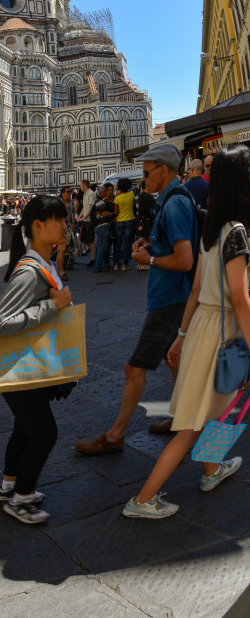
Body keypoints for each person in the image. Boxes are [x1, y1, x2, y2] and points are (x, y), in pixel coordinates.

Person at [123, 145, 250, 518]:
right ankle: (143, 500)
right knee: (195, 423)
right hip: (224, 332)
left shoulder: (212, 230)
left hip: (201, 328)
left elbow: (196, 289)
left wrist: (182, 334)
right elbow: (240, 298)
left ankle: (212, 469)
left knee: (215, 409)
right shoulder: (237, 232)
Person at [75, 141, 197, 455]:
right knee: (177, 361)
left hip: (170, 299)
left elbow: (184, 260)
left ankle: (118, 439)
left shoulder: (175, 204)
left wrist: (150, 261)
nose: (143, 179)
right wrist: (151, 244)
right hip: (176, 299)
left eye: (146, 173)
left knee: (134, 368)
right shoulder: (169, 200)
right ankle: (189, 431)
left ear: (165, 170)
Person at [0, 194, 71, 524]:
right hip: (21, 369)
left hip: (31, 367)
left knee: (24, 429)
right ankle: (21, 499)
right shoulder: (30, 271)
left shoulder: (45, 263)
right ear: (38, 226)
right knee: (44, 434)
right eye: (60, 219)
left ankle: (9, 485)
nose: (66, 225)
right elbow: (0, 324)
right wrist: (54, 305)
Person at [113, 178, 137, 271]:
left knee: (118, 243)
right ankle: (125, 264)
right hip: (129, 221)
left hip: (119, 221)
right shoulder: (131, 195)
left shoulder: (117, 198)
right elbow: (135, 190)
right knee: (127, 243)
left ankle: (116, 264)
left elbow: (115, 213)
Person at [92, 184, 116, 273]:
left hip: (98, 226)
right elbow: (105, 214)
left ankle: (98, 265)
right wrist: (113, 213)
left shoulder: (96, 201)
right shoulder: (100, 202)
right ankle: (98, 267)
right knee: (102, 246)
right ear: (101, 193)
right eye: (105, 191)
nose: (106, 193)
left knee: (99, 246)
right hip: (102, 226)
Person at [79, 178, 96, 262]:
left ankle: (94, 258)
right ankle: (93, 257)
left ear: (85, 185)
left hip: (90, 220)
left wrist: (82, 218)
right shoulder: (85, 194)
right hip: (86, 220)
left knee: (91, 240)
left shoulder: (91, 194)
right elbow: (84, 207)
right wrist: (80, 217)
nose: (80, 187)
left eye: (80, 185)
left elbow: (90, 208)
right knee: (87, 240)